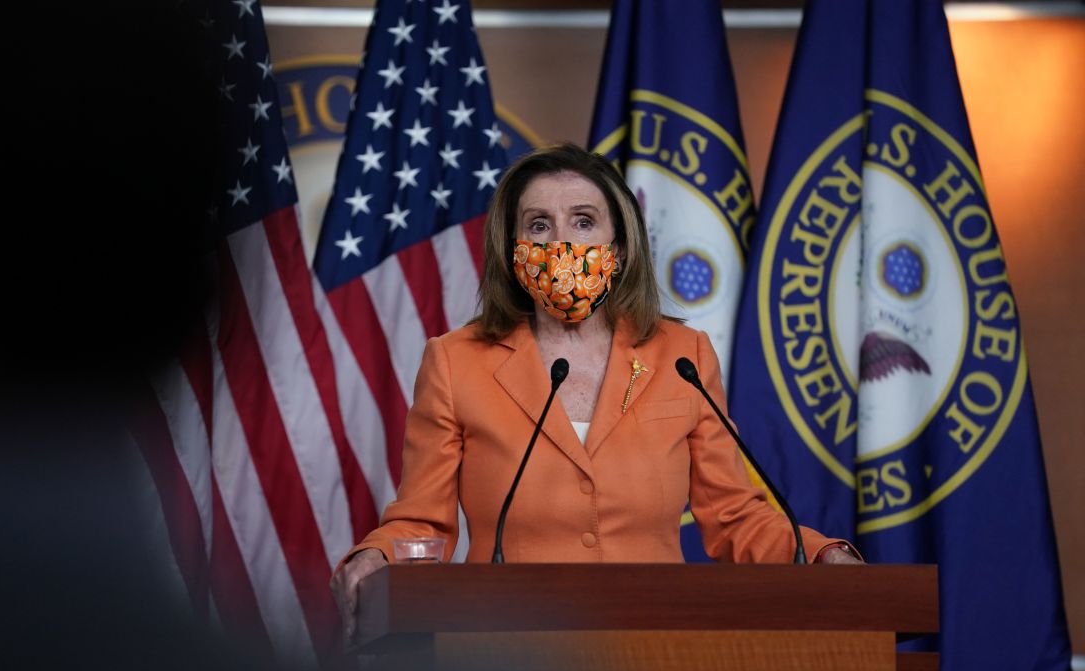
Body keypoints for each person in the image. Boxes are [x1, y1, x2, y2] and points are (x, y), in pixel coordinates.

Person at [330, 143, 860, 638]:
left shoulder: (683, 355)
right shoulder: (455, 362)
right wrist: (374, 557)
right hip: (509, 652)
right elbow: (423, 520)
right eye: (539, 225)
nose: (561, 242)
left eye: (583, 222)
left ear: (621, 247)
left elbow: (733, 516)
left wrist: (824, 554)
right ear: (513, 252)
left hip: (659, 641)